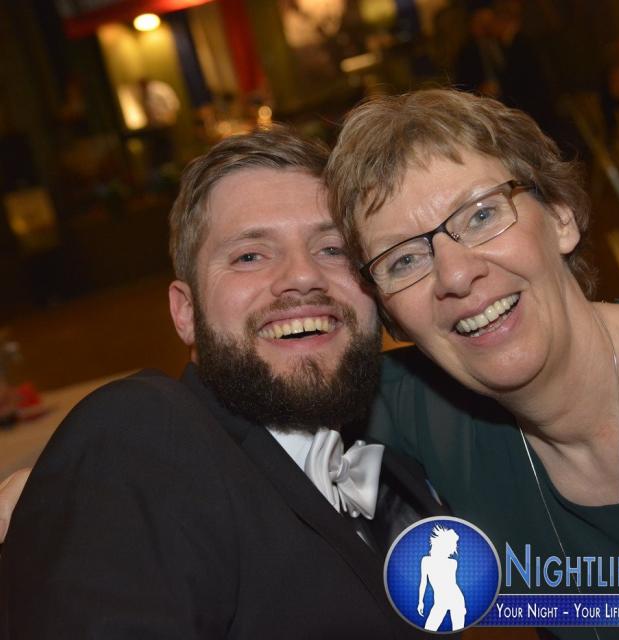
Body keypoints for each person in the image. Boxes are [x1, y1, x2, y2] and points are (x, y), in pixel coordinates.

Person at [0, 126, 456, 639]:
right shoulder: (141, 431)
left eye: (332, 249)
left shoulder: (399, 459)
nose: (302, 276)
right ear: (185, 313)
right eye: (249, 256)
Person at [326, 87, 619, 640]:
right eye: (404, 259)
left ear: (561, 216)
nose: (454, 275)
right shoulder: (423, 415)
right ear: (389, 315)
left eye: (481, 215)